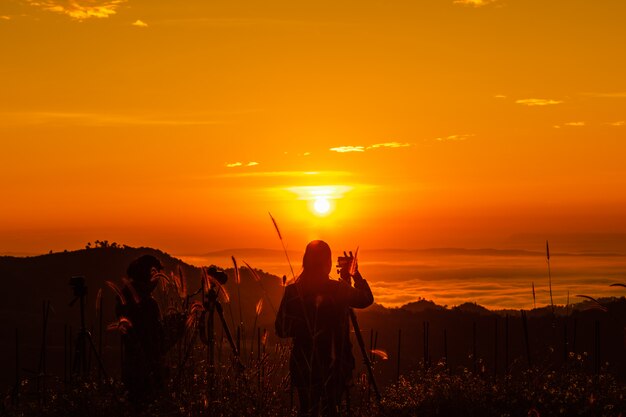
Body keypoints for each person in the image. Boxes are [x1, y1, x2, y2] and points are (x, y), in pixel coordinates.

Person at [275, 240, 374, 417]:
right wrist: (355, 274)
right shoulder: (338, 290)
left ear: (305, 261)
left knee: (307, 410)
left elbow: (280, 329)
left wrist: (304, 325)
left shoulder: (292, 291)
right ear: (328, 264)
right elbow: (366, 299)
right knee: (331, 411)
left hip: (304, 365)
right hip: (335, 366)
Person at [116, 254, 166, 403]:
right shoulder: (147, 303)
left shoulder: (124, 296)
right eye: (156, 275)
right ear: (148, 275)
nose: (157, 281)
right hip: (144, 369)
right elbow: (152, 338)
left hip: (132, 367)